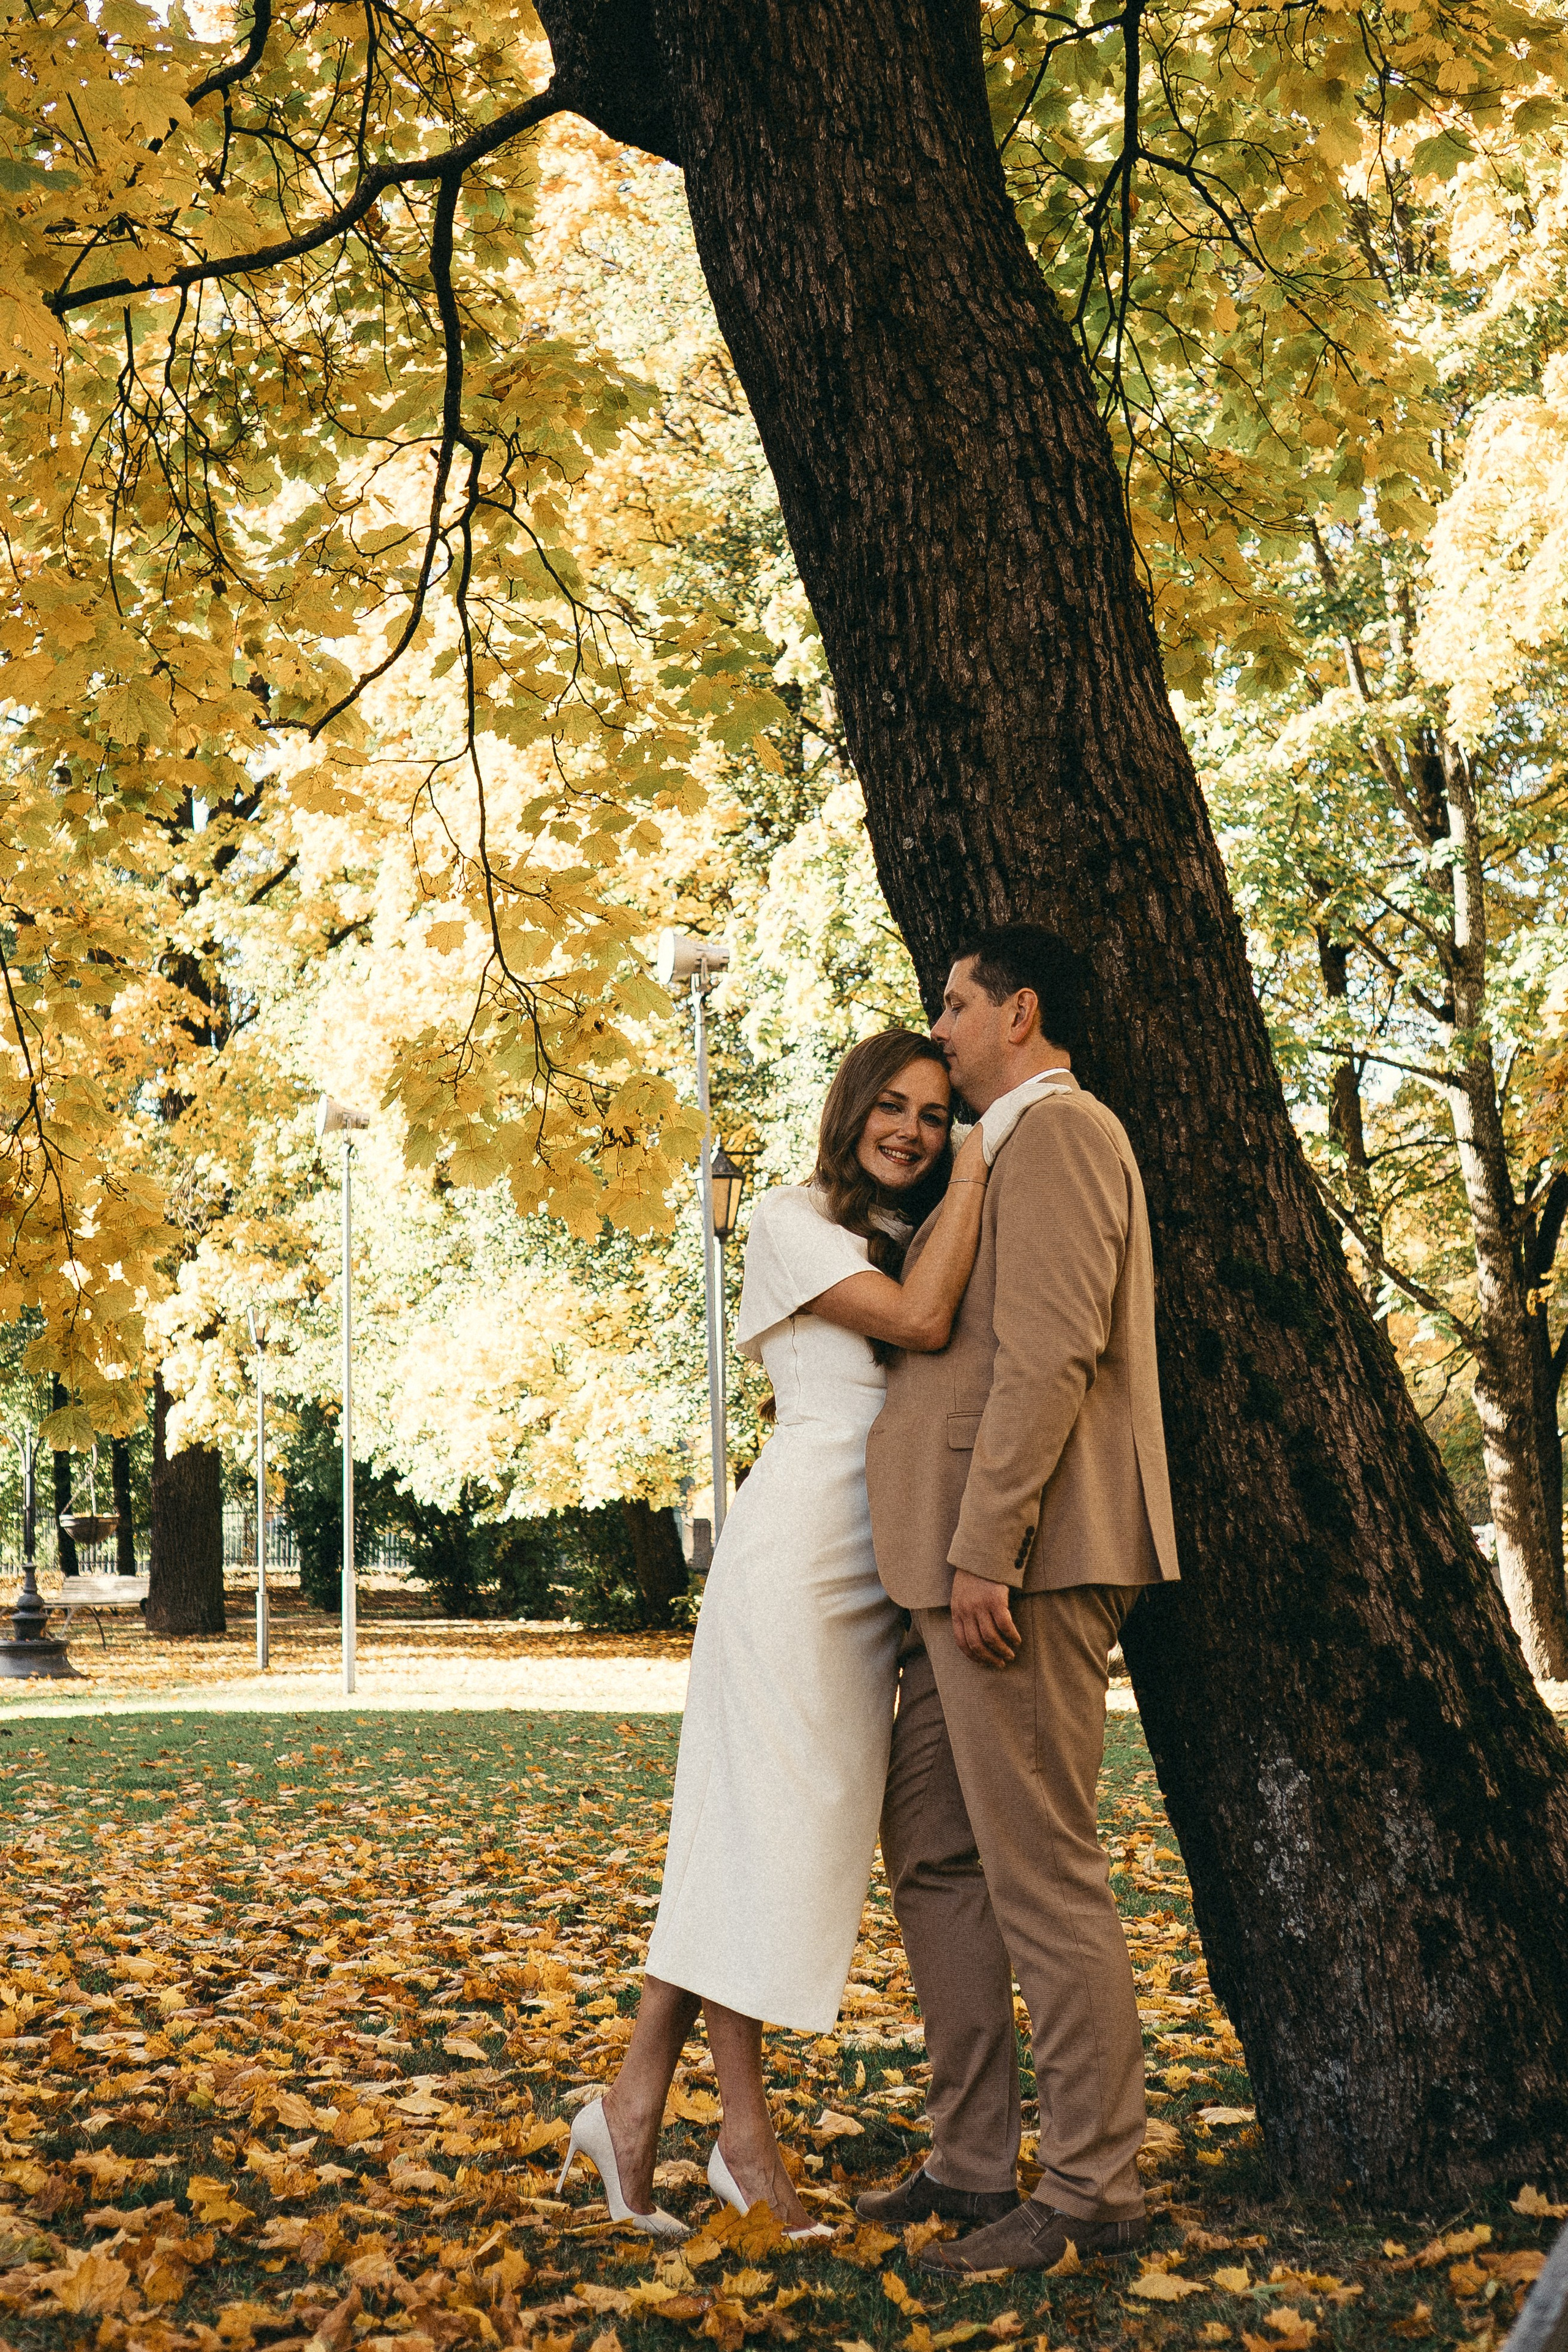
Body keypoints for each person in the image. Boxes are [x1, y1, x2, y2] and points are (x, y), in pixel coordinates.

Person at [557, 1027, 994, 2237]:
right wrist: (990, 1148)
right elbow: (913, 1325)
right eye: (894, 1107)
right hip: (796, 1560)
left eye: (935, 1112)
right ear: (851, 1106)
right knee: (751, 1840)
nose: (911, 1129)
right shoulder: (788, 1220)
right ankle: (733, 2144)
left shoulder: (911, 1225)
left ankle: (635, 2108)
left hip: (878, 1570)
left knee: (762, 1849)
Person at [859, 925, 1180, 2277]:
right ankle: (970, 2161)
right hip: (951, 1570)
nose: (936, 1030)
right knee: (933, 1853)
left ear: (1019, 1012)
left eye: (953, 1005)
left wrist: (986, 1544)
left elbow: (1052, 1350)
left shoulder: (1061, 1132)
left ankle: (1096, 2189)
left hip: (1020, 1567)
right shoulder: (1001, 1145)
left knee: (1043, 1876)